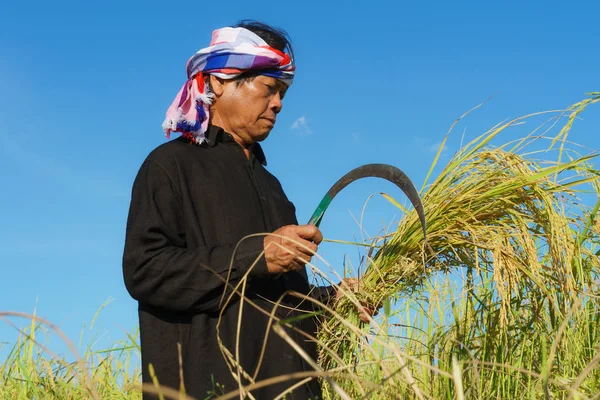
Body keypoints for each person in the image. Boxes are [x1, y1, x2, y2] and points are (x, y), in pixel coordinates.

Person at [122, 20, 369, 400]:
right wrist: (258, 256)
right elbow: (145, 271)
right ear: (219, 82)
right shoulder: (169, 166)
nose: (279, 103)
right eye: (269, 88)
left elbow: (279, 302)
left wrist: (334, 300)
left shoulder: (272, 188)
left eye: (283, 92)